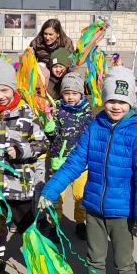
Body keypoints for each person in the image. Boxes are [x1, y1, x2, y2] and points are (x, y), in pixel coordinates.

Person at [40, 67, 137, 274]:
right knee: (94, 258)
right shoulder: (95, 127)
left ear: (131, 103)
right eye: (111, 100)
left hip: (122, 212)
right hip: (93, 207)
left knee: (123, 260)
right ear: (103, 100)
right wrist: (50, 190)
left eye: (122, 101)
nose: (116, 106)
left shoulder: (136, 133)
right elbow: (74, 162)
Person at [0, 59, 48, 274]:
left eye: (4, 90)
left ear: (13, 89)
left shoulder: (26, 113)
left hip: (20, 186)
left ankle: (40, 265)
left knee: (27, 227)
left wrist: (21, 150)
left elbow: (42, 143)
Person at [44, 71, 92, 240]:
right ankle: (54, 225)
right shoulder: (57, 110)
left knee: (81, 196)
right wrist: (49, 122)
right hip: (60, 163)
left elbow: (91, 136)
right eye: (67, 93)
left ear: (81, 94)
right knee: (57, 197)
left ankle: (80, 222)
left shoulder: (87, 112)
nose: (70, 97)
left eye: (74, 93)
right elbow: (52, 133)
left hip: (81, 164)